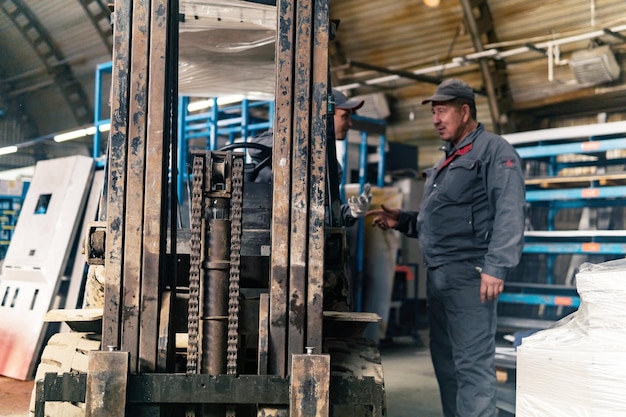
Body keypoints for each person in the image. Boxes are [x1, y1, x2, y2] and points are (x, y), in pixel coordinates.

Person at [368, 78, 525, 417]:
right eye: (434, 112)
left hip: (471, 277)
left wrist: (496, 267)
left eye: (442, 111)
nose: (436, 119)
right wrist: (405, 221)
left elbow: (510, 210)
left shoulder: (494, 151)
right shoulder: (447, 161)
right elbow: (441, 220)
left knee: (471, 365)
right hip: (439, 277)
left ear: (464, 111)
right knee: (447, 364)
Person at [248, 88, 372, 311]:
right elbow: (256, 148)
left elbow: (323, 216)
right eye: (345, 116)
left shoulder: (332, 168)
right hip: (266, 256)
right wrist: (304, 132)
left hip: (308, 258)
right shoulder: (280, 147)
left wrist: (349, 213)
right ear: (324, 115)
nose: (350, 124)